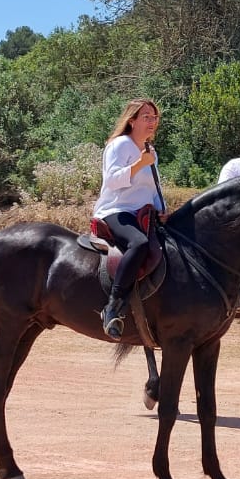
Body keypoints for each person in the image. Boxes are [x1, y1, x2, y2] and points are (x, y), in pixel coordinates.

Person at [91, 98, 165, 340]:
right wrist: (138, 164)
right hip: (117, 210)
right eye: (146, 117)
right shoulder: (119, 145)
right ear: (132, 120)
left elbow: (153, 187)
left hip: (144, 213)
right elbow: (111, 181)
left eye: (154, 117)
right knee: (139, 244)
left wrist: (161, 208)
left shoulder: (150, 152)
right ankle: (113, 305)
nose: (152, 121)